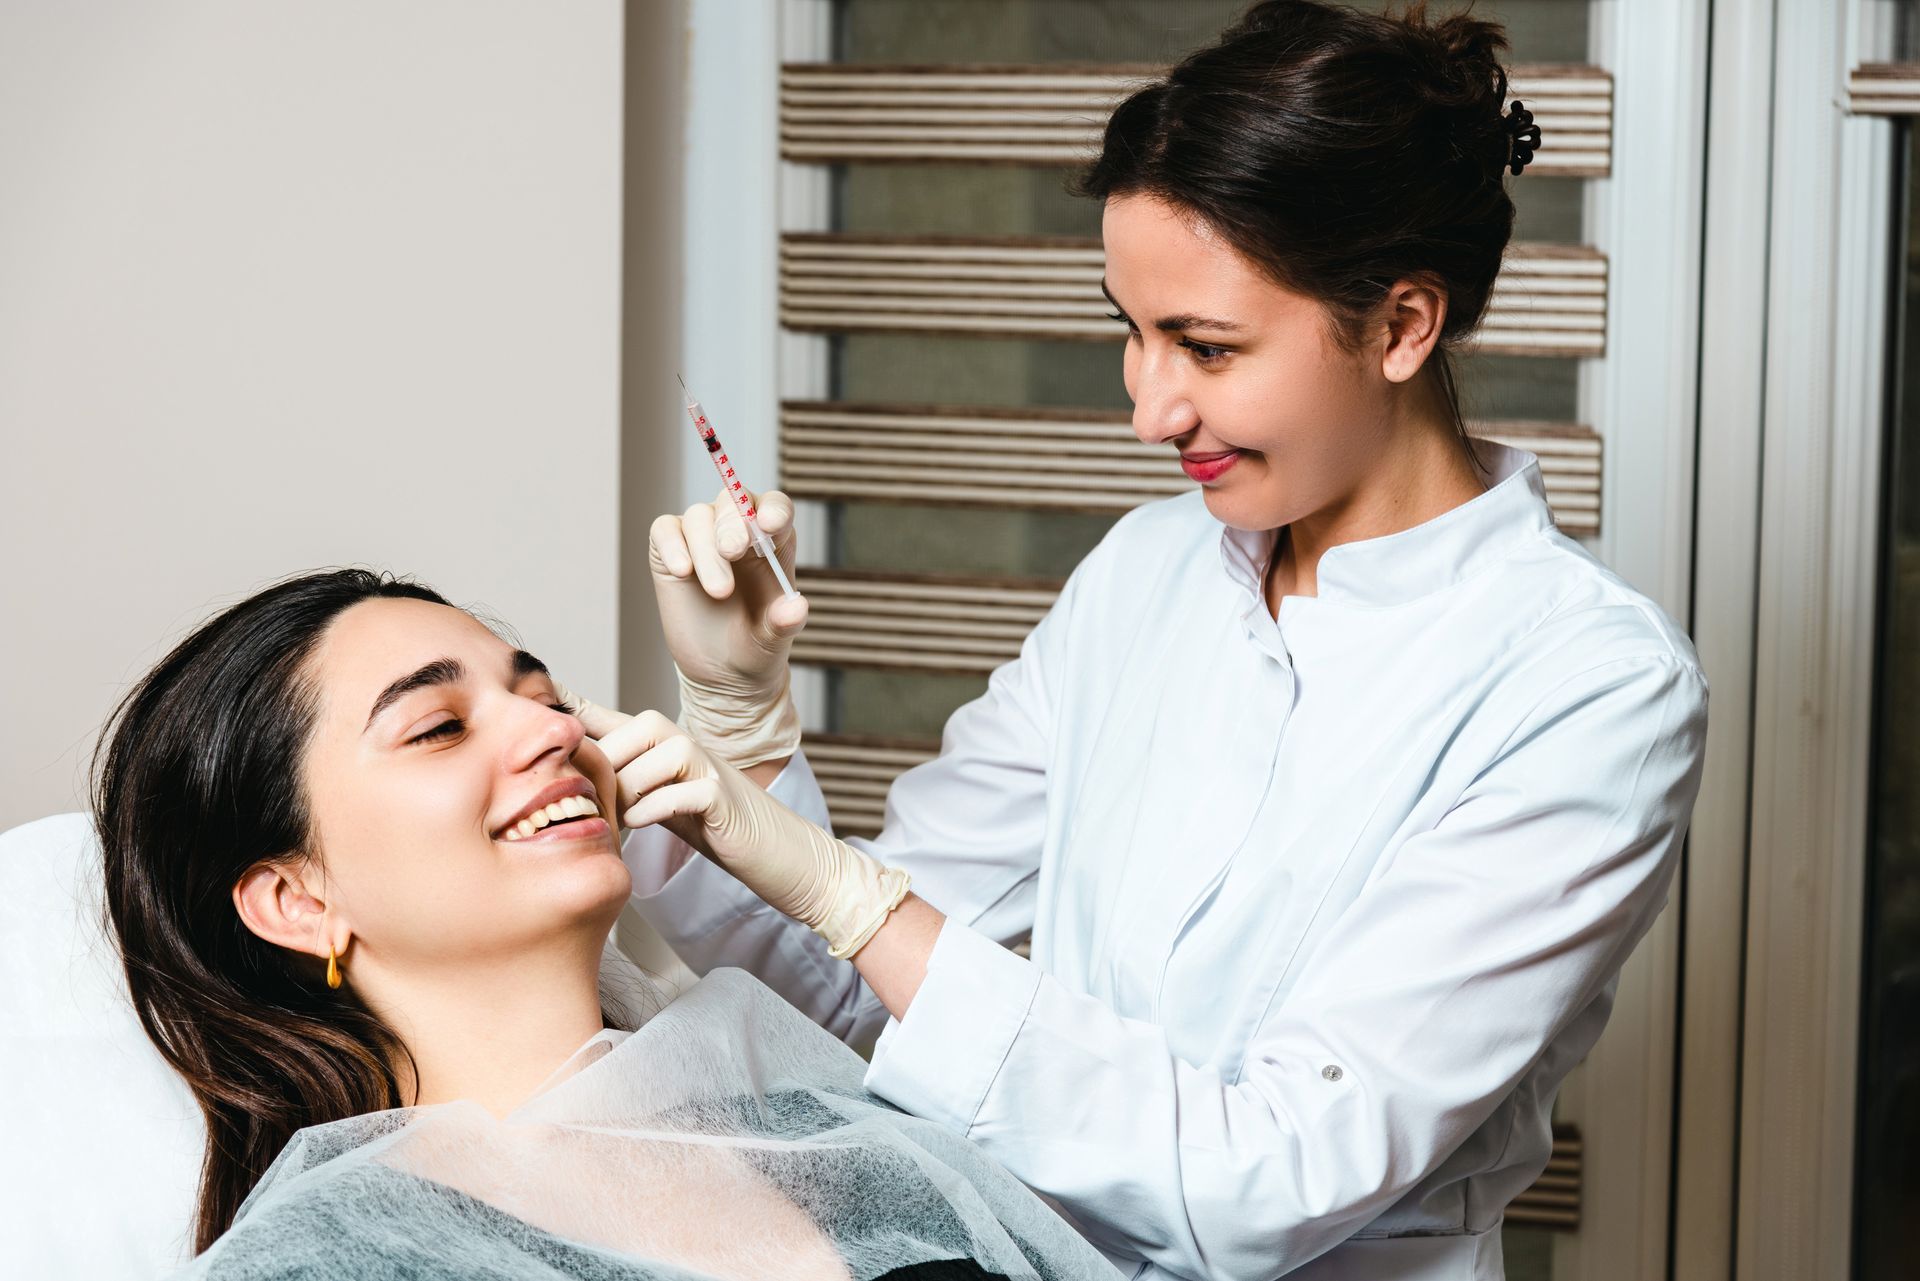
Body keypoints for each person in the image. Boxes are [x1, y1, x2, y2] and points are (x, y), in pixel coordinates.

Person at [587, 4, 1712, 1279]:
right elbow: (861, 993)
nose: (1149, 407)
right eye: (1131, 326)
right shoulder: (1146, 571)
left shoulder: (1590, 689)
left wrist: (853, 896)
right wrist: (741, 731)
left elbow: (1271, 1179)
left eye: (1208, 346)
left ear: (1403, 325)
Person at [94, 568, 1118, 1281]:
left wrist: (844, 889)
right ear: (300, 900)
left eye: (541, 697)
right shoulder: (331, 1257)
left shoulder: (827, 1135)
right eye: (440, 727)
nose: (555, 728)